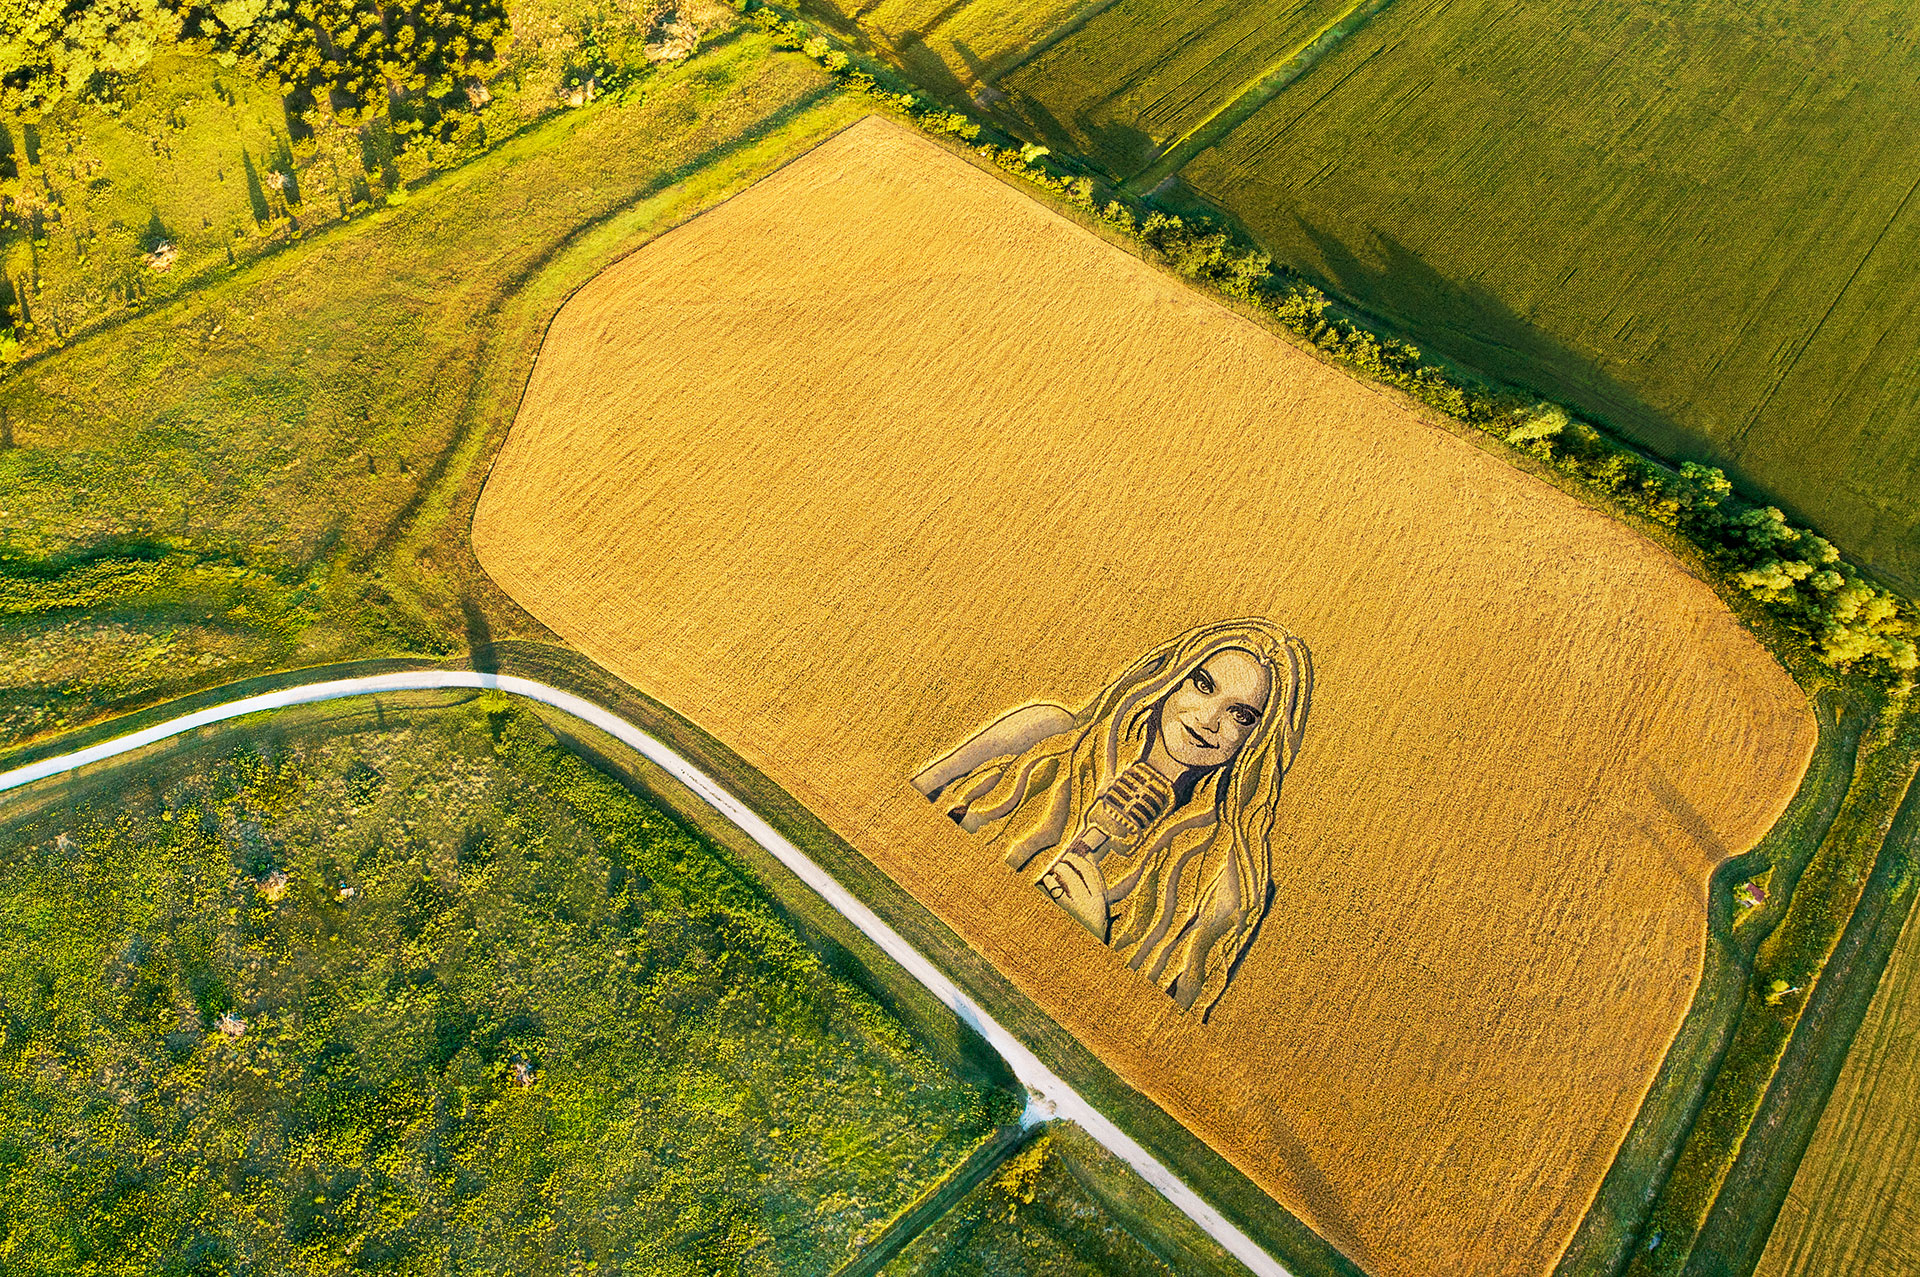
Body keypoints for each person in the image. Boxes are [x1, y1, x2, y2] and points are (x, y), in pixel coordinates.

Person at [912, 618, 1313, 1019]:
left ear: (1259, 741)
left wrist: (1089, 935)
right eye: (1204, 685)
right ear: (1169, 679)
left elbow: (1155, 1034)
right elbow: (900, 812)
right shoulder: (1040, 732)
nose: (1208, 719)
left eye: (1241, 715)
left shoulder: (1226, 880)